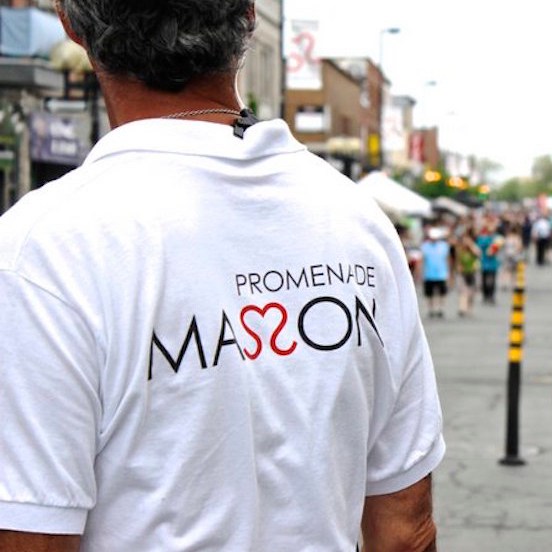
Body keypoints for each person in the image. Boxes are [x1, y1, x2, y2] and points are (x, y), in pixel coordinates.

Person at [0, 1, 445, 550]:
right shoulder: (356, 222)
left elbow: (30, 536)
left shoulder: (40, 253)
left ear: (72, 24)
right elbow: (405, 529)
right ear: (249, 14)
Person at [420, 226, 451, 318]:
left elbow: (447, 259)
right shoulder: (425, 246)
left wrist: (449, 272)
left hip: (441, 274)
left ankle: (440, 309)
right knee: (429, 294)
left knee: (442, 293)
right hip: (429, 274)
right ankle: (431, 309)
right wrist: (421, 273)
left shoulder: (444, 246)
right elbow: (423, 260)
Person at [456, 227, 481, 317]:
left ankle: (469, 308)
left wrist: (471, 245)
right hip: (463, 274)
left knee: (471, 293)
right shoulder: (460, 250)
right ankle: (462, 308)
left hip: (472, 272)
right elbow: (458, 261)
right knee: (463, 292)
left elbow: (478, 254)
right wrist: (459, 267)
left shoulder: (473, 250)